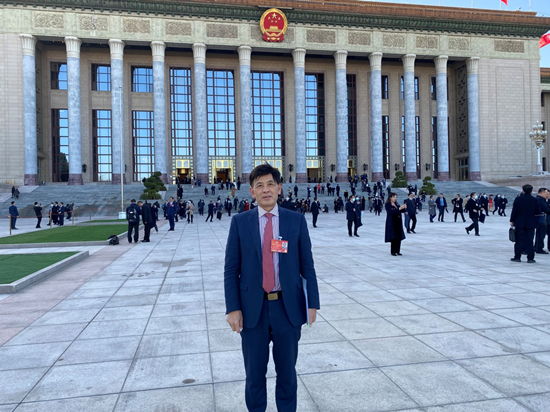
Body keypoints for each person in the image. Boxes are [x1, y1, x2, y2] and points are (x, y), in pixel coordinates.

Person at [224, 163, 320, 412]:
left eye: (270, 184)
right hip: (252, 311)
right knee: (254, 375)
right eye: (259, 186)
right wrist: (233, 308)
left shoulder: (295, 221)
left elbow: (307, 266)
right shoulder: (240, 223)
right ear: (252, 191)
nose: (265, 190)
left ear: (279, 188)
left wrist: (312, 304)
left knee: (287, 374)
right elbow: (231, 270)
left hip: (287, 309)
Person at [510, 184, 541, 263]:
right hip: (530, 223)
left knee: (519, 240)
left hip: (519, 222)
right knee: (530, 241)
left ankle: (517, 257)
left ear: (523, 190)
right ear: (531, 191)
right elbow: (538, 212)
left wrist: (512, 220)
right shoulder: (534, 200)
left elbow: (514, 211)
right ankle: (530, 258)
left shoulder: (518, 199)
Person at [535, 188, 550, 255]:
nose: (547, 195)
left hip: (540, 219)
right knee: (541, 234)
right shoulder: (540, 200)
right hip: (541, 219)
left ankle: (537, 246)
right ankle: (539, 247)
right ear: (542, 193)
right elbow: (546, 209)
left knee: (540, 234)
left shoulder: (540, 199)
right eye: (546, 193)